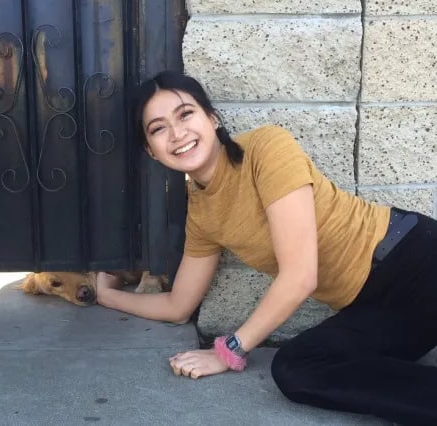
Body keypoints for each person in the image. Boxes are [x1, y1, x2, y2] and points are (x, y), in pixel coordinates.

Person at [95, 70, 437, 425]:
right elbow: (179, 306)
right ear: (151, 151)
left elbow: (300, 276)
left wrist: (227, 352)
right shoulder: (202, 214)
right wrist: (106, 296)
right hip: (373, 309)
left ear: (211, 118)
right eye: (158, 128)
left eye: (185, 114)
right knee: (295, 367)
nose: (177, 133)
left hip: (413, 258)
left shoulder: (266, 148)